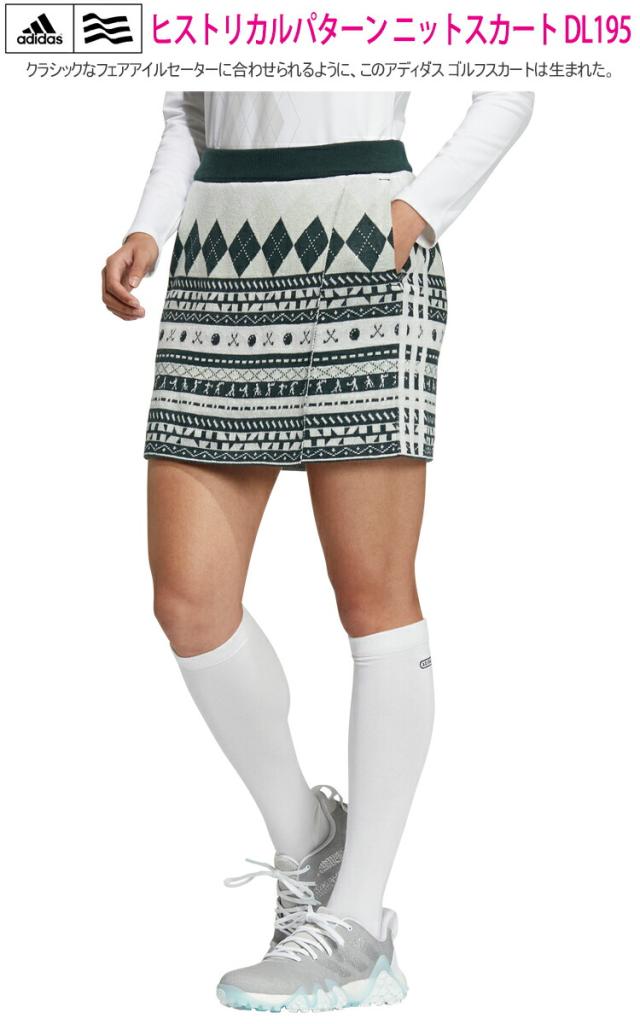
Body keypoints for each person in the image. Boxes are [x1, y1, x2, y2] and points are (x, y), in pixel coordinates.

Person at [102, 89, 534, 1012]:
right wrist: (148, 225)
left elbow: (509, 79)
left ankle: (359, 921)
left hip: (363, 242)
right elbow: (189, 110)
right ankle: (307, 841)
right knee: (189, 603)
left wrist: (419, 210)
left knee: (372, 594)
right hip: (220, 253)